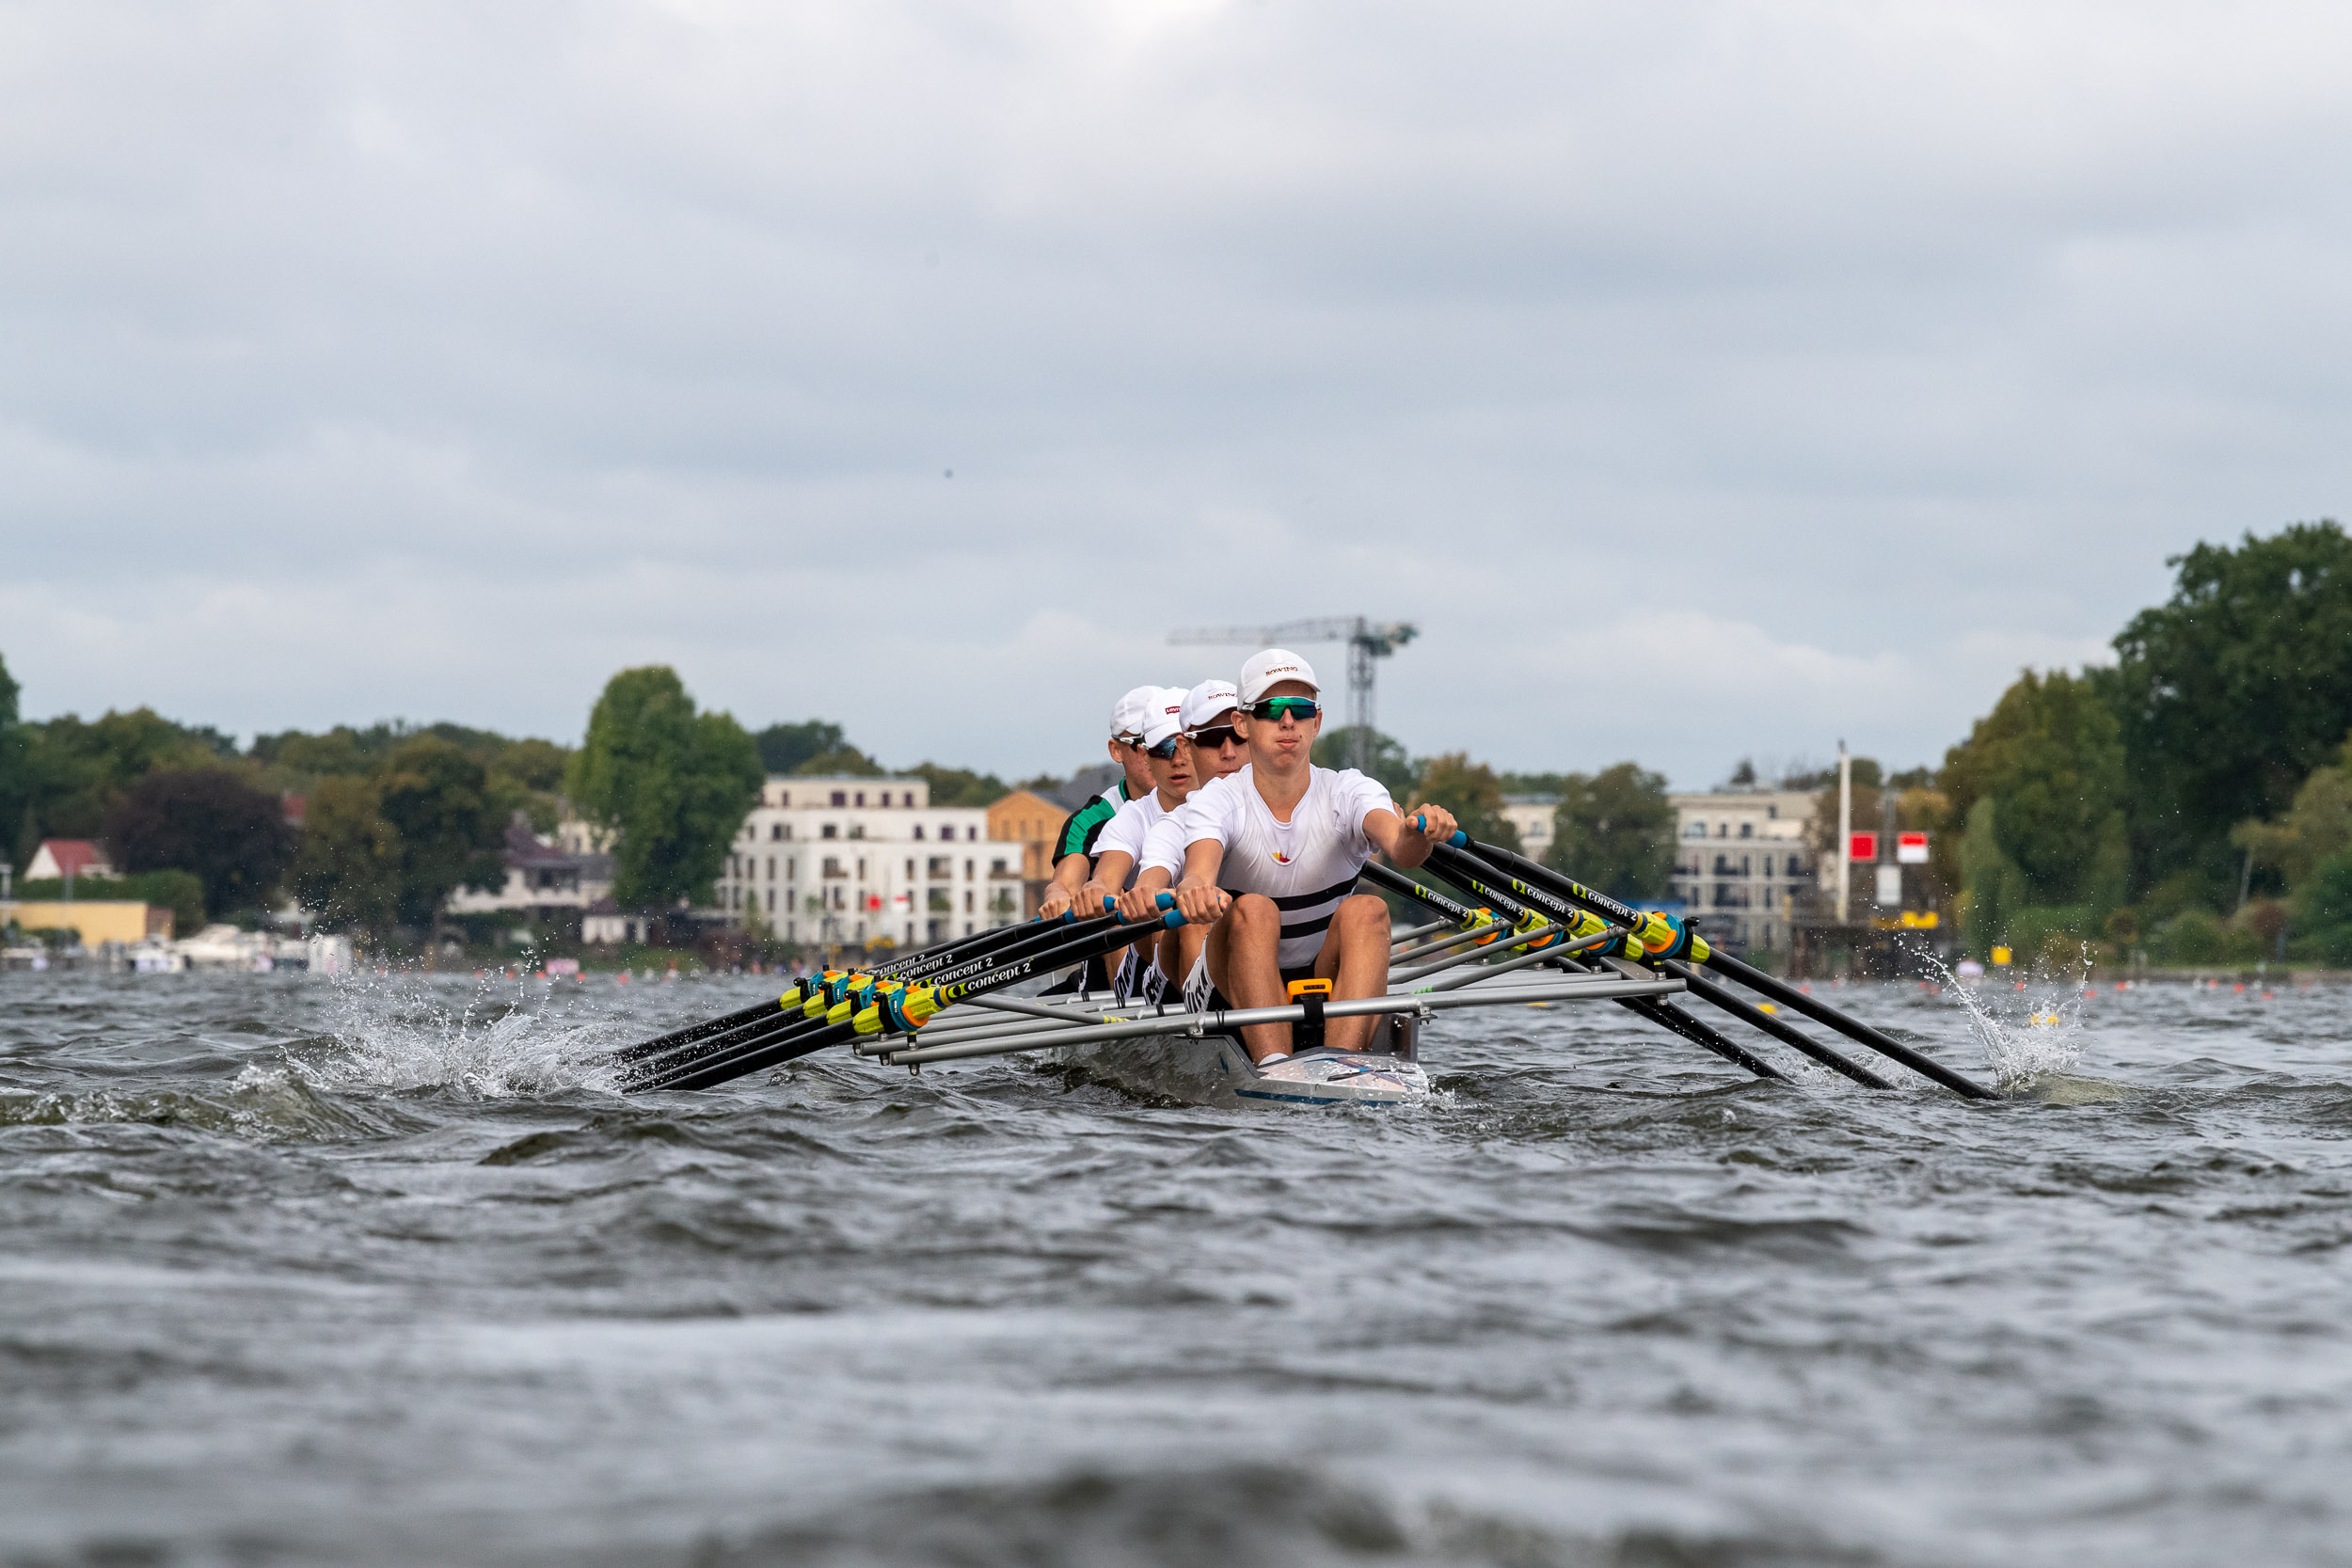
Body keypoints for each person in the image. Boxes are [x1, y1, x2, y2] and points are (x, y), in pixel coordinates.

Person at [1166, 650, 1457, 1065]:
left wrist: (1417, 831)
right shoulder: (1218, 800)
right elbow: (1199, 870)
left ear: (1316, 722)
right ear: (1241, 723)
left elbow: (1402, 850)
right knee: (1253, 911)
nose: (1288, 721)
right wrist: (1194, 888)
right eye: (1270, 710)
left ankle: (1343, 1068)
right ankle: (1275, 1067)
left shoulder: (1349, 791)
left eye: (1301, 710)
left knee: (1369, 911)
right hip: (1226, 985)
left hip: (1320, 974)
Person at [1117, 678, 1244, 987]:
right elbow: (1149, 881)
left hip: (1256, 946)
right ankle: (1201, 1027)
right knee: (1191, 917)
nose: (1227, 751)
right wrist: (1136, 893)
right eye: (1212, 739)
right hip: (1171, 954)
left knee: (1365, 910)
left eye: (1237, 737)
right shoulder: (1169, 822)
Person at [1078, 689, 1194, 1000]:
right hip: (1145, 955)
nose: (1178, 759)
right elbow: (1105, 880)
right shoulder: (1132, 816)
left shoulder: (1234, 802)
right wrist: (1095, 891)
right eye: (1164, 749)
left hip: (1213, 948)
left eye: (1186, 746)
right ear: (1145, 754)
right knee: (1133, 906)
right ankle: (1126, 1009)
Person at [1038, 685, 1165, 924]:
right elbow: (1064, 884)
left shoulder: (1208, 803)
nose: (1155, 753)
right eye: (1143, 742)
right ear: (1116, 751)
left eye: (1165, 741)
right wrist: (1059, 896)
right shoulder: (1091, 819)